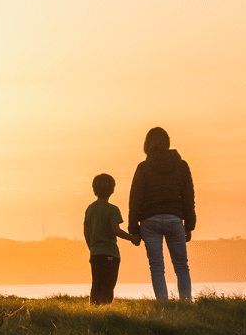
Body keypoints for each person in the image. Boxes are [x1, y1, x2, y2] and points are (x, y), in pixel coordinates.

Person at [128, 127, 196, 301]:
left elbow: (135, 199)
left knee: (157, 267)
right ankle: (186, 303)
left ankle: (163, 304)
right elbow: (188, 198)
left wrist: (133, 228)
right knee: (181, 266)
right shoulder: (181, 166)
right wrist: (189, 226)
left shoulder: (143, 167)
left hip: (149, 221)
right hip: (174, 219)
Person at [84, 173, 140, 305]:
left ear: (94, 189)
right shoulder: (112, 209)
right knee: (108, 285)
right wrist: (132, 238)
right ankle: (106, 310)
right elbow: (116, 230)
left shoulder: (90, 209)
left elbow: (86, 231)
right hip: (110, 253)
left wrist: (91, 248)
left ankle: (94, 309)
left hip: (95, 253)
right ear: (112, 190)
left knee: (96, 283)